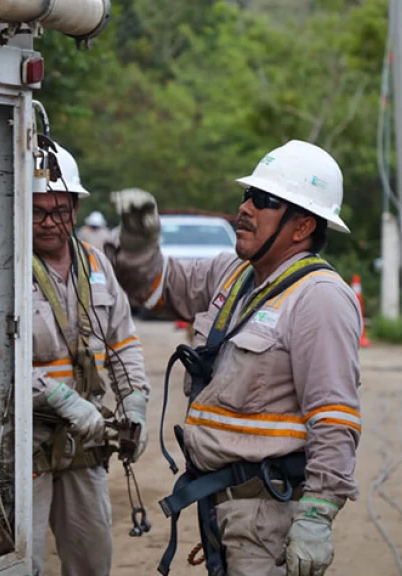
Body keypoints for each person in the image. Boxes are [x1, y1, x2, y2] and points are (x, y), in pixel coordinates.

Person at [107, 140, 362, 576]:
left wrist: (317, 515)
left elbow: (335, 418)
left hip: (270, 518)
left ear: (301, 227)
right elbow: (153, 287)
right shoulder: (234, 274)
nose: (245, 207)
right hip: (223, 510)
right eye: (247, 194)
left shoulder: (319, 298)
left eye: (264, 200)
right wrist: (139, 238)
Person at [30, 139, 151, 576]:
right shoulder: (1, 270)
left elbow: (122, 341)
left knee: (91, 559)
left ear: (75, 210)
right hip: (27, 442)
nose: (49, 223)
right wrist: (60, 400)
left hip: (85, 442)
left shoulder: (96, 263)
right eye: (37, 210)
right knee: (24, 561)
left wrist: (135, 400)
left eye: (59, 211)